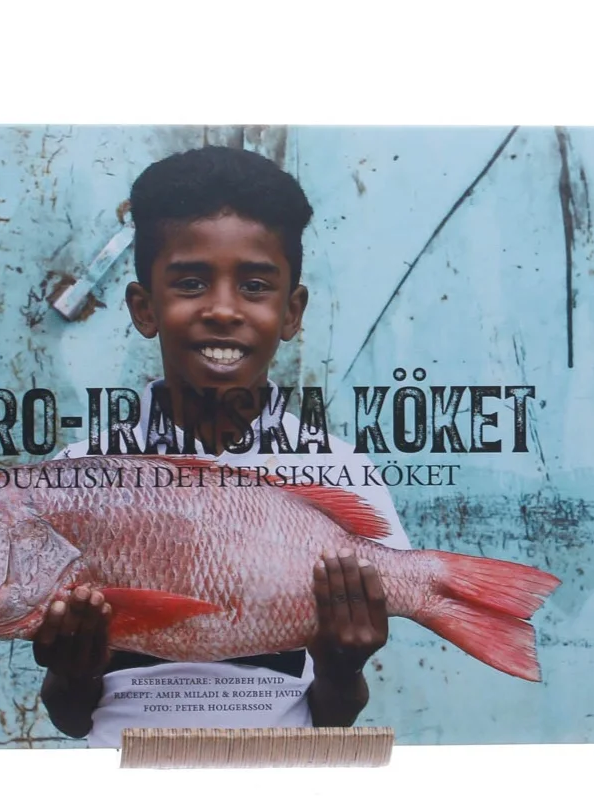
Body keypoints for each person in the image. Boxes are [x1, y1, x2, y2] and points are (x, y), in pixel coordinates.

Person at [33, 146, 410, 746]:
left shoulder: (340, 472)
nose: (223, 310)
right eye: (190, 283)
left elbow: (335, 715)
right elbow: (72, 716)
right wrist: (71, 669)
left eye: (255, 286)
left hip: (280, 777)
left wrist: (343, 666)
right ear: (144, 309)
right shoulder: (71, 480)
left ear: (291, 312)